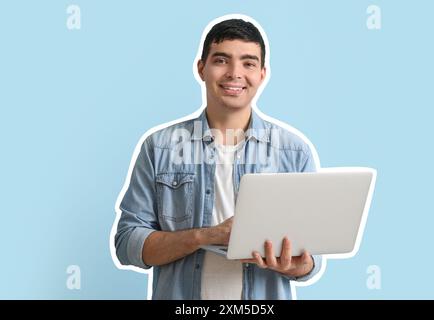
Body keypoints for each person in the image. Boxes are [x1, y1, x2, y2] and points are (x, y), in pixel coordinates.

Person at [113, 17, 322, 300]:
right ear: (201, 68)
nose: (235, 73)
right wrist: (207, 236)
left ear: (262, 74)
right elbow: (127, 244)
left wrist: (297, 266)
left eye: (248, 63)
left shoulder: (294, 152)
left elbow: (313, 258)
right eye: (221, 60)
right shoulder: (159, 147)